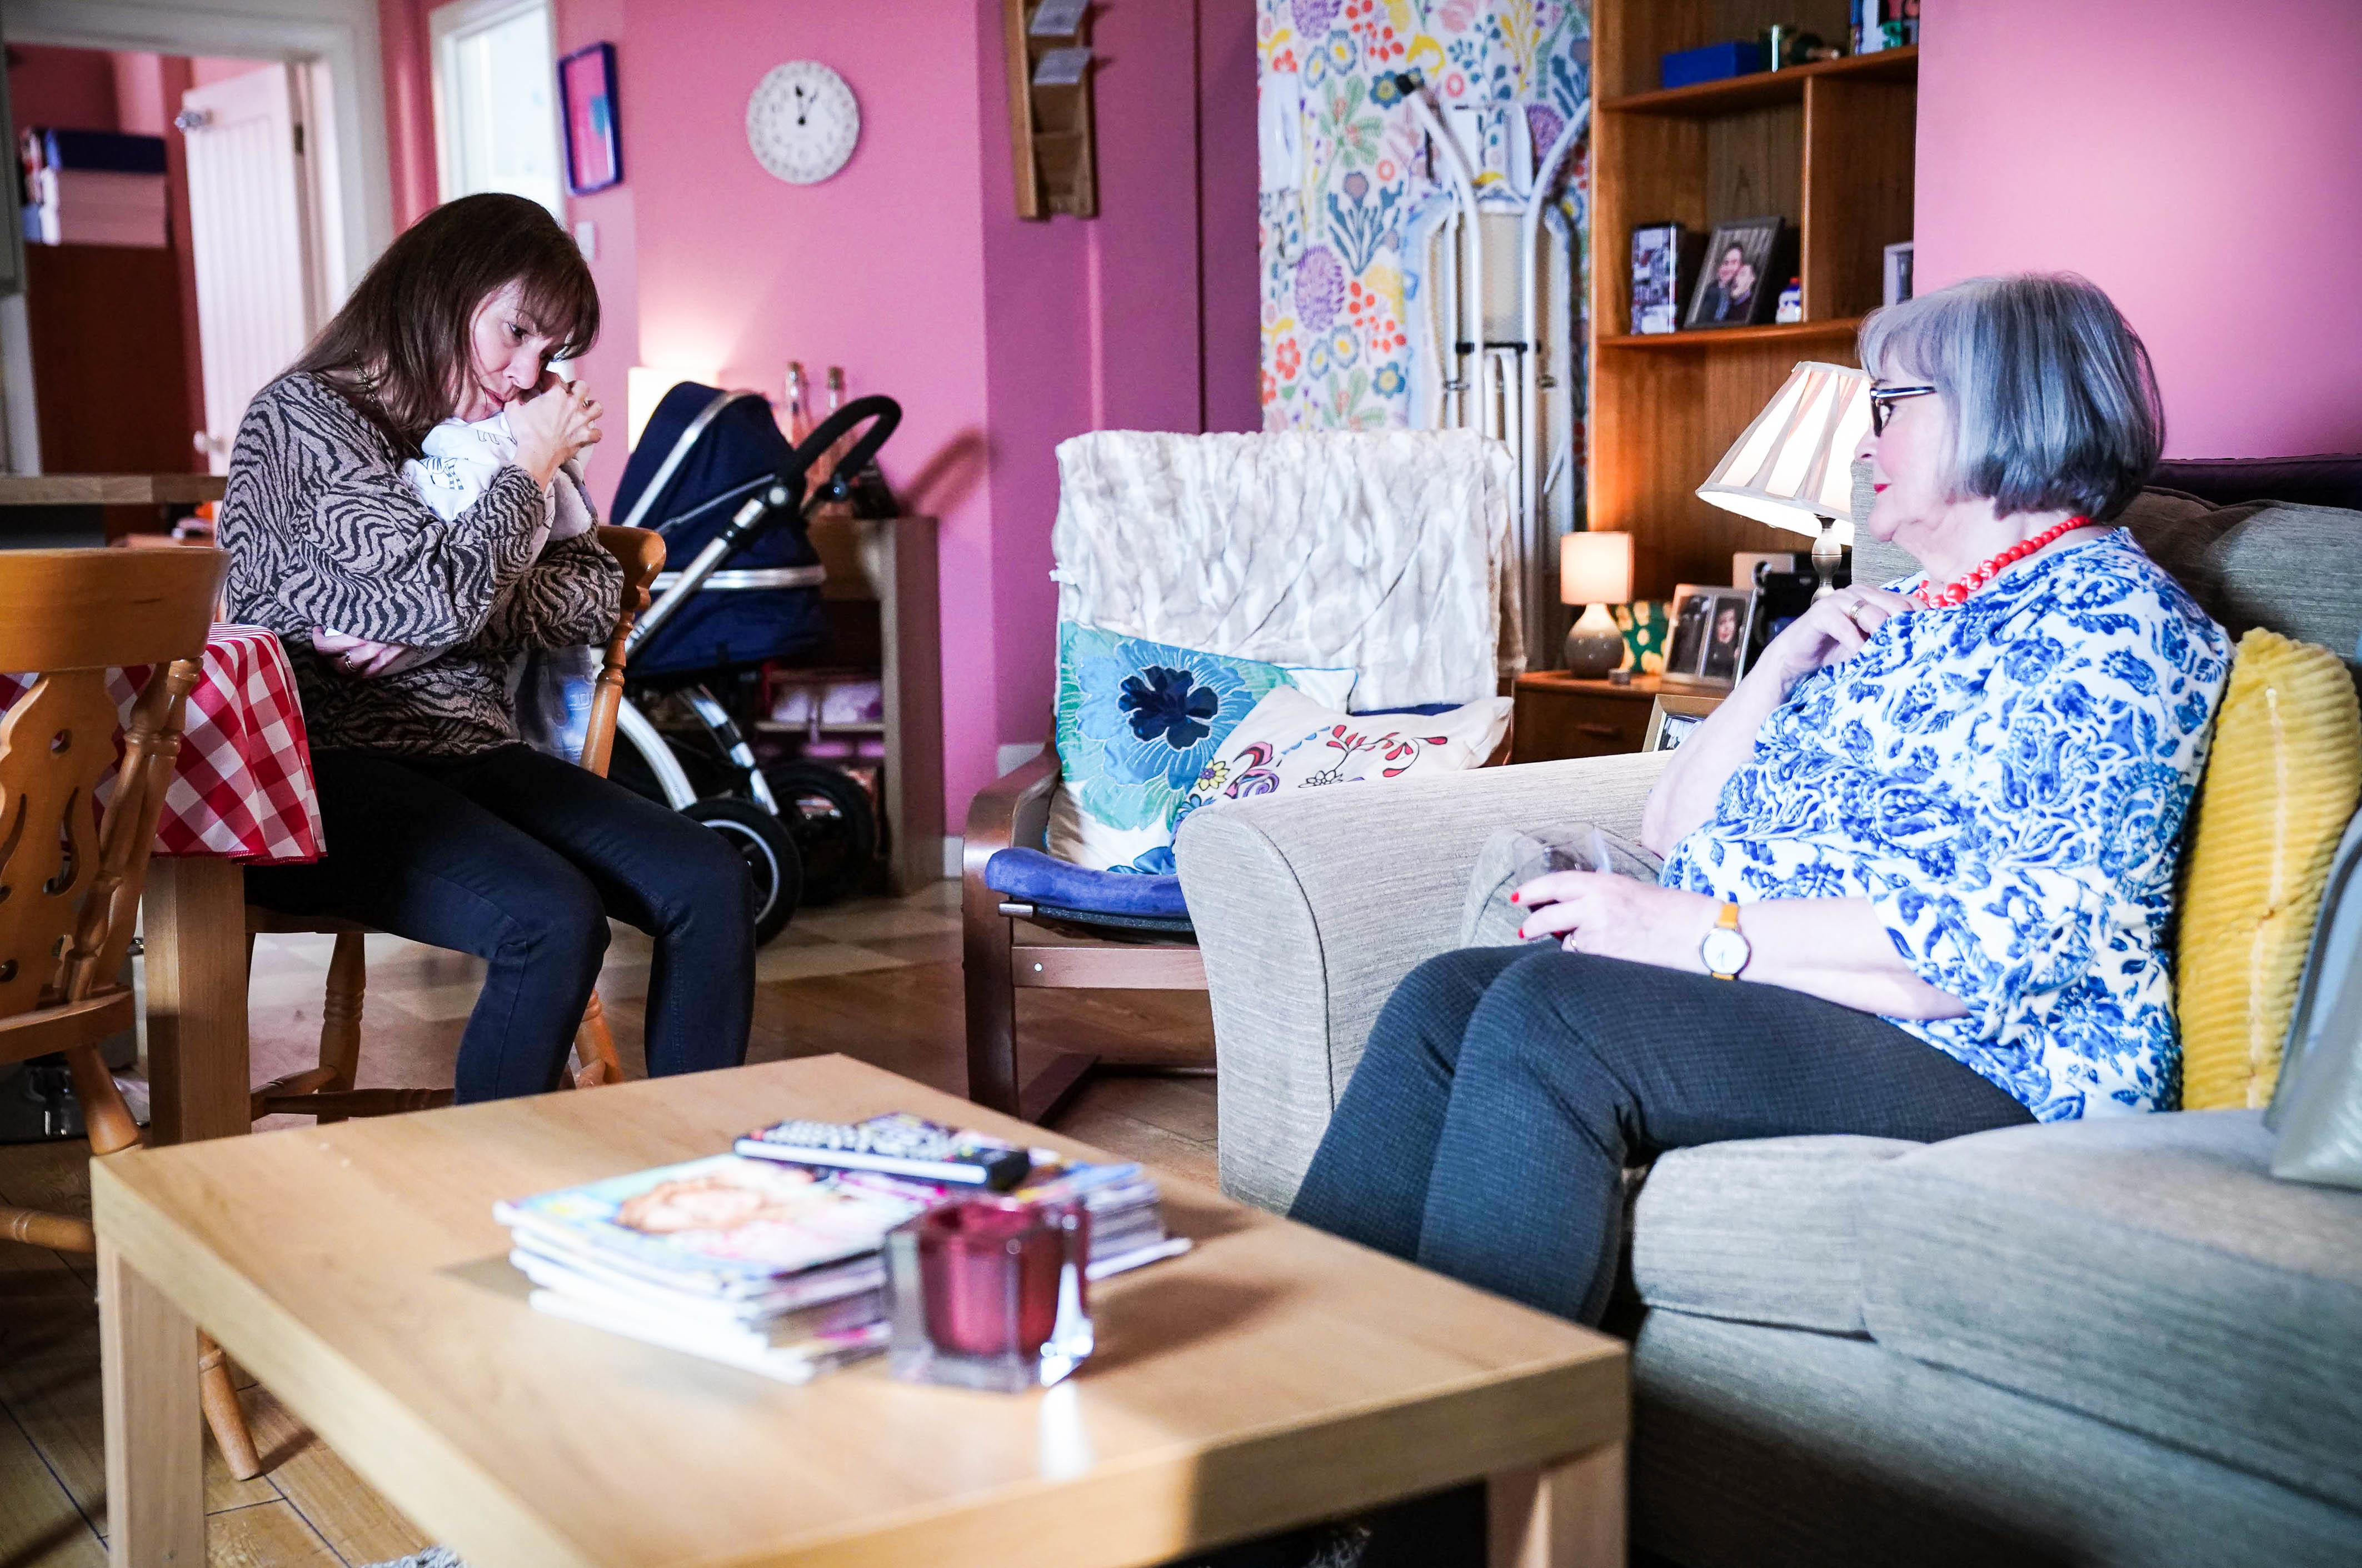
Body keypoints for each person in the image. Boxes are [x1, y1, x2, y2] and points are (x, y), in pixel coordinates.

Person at [1289, 272, 2231, 1332]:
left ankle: (1473, 1434)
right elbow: (1672, 830)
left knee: (1553, 1015)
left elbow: (2010, 937)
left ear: (2003, 408)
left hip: (1996, 1059)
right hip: (1829, 999)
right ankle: (1297, 1385)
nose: (1866, 443)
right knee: (1443, 1000)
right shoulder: (1908, 616)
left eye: (1889, 406)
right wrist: (1777, 665)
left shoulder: (2113, 630)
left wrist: (1698, 931)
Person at [222, 192, 755, 1103]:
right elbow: (435, 594)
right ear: (440, 288)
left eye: (551, 351)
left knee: (711, 877)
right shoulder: (304, 421)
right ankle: (492, 1178)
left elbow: (593, 593)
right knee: (550, 918)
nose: (527, 374)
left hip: (472, 755)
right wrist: (524, 474)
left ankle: (695, 1164)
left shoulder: (494, 430)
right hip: (323, 775)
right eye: (516, 332)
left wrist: (434, 621)